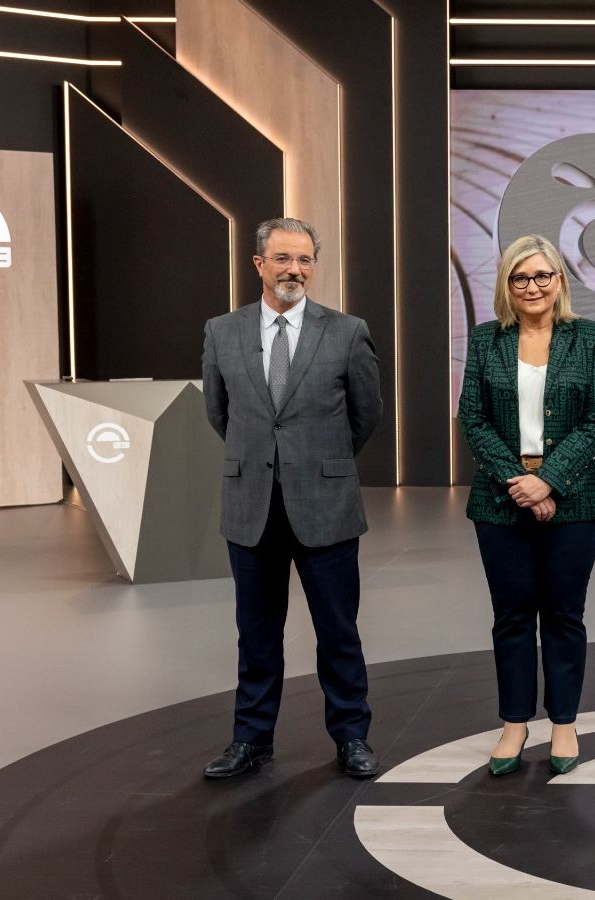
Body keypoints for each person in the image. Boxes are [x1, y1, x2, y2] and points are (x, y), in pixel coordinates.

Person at [200, 217, 383, 778]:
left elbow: (365, 414)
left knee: (338, 631)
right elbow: (219, 412)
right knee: (256, 635)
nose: (294, 270)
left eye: (304, 259)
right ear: (259, 265)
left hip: (325, 506)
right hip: (251, 505)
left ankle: (351, 736)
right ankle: (251, 739)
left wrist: (316, 463)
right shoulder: (221, 332)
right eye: (282, 259)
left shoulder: (348, 331)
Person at [458, 234, 595, 776]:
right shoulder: (485, 340)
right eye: (520, 277)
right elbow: (472, 418)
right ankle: (514, 724)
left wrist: (548, 480)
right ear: (507, 284)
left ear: (560, 282)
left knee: (565, 615)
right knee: (512, 616)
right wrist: (516, 481)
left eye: (542, 276)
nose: (532, 287)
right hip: (500, 500)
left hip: (576, 497)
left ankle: (565, 723)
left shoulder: (587, 337)